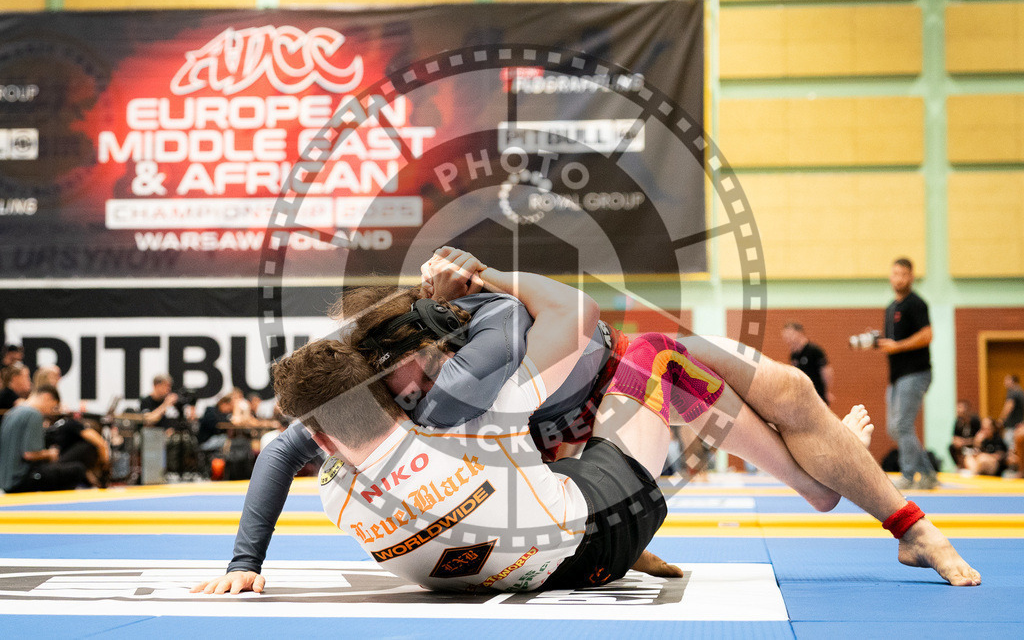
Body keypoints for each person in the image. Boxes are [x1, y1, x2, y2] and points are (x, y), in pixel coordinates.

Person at [194, 252, 980, 594]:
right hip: (595, 396)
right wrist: (480, 276)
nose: (417, 374)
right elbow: (565, 309)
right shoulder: (457, 378)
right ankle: (895, 513)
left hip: (563, 441)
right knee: (768, 385)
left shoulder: (378, 408)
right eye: (404, 368)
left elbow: (280, 448)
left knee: (778, 415)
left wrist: (245, 555)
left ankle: (823, 474)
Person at [875, 258, 938, 490]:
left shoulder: (916, 304)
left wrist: (898, 346)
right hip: (897, 375)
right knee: (895, 427)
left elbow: (927, 335)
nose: (899, 278)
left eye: (903, 274)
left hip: (916, 372)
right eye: (895, 274)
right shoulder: (892, 307)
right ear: (890, 277)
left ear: (911, 277)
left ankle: (910, 474)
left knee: (902, 424)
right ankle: (929, 473)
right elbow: (891, 342)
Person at [0, 385, 90, 493]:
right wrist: (50, 454)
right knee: (77, 470)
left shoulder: (12, 413)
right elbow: (29, 454)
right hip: (22, 479)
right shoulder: (33, 414)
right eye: (52, 407)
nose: (50, 412)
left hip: (5, 481)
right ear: (47, 397)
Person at [780, 322, 833, 405]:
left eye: (790, 335)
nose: (787, 339)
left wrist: (827, 391)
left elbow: (827, 371)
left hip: (817, 396)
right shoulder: (794, 355)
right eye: (785, 337)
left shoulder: (814, 350)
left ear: (799, 333)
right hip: (803, 397)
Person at [949, 400, 981, 470]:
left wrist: (964, 442)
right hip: (963, 446)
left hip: (973, 446)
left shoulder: (975, 421)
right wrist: (957, 441)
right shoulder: (958, 421)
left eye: (960, 407)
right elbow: (954, 437)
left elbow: (979, 438)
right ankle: (959, 466)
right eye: (957, 408)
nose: (959, 410)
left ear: (967, 409)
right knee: (952, 447)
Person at [997, 374, 1023, 451]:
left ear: (1013, 381)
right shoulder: (1021, 392)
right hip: (1019, 424)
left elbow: (1009, 406)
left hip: (1012, 426)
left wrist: (1001, 419)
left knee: (1009, 447)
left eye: (1007, 380)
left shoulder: (1013, 393)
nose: (1004, 383)